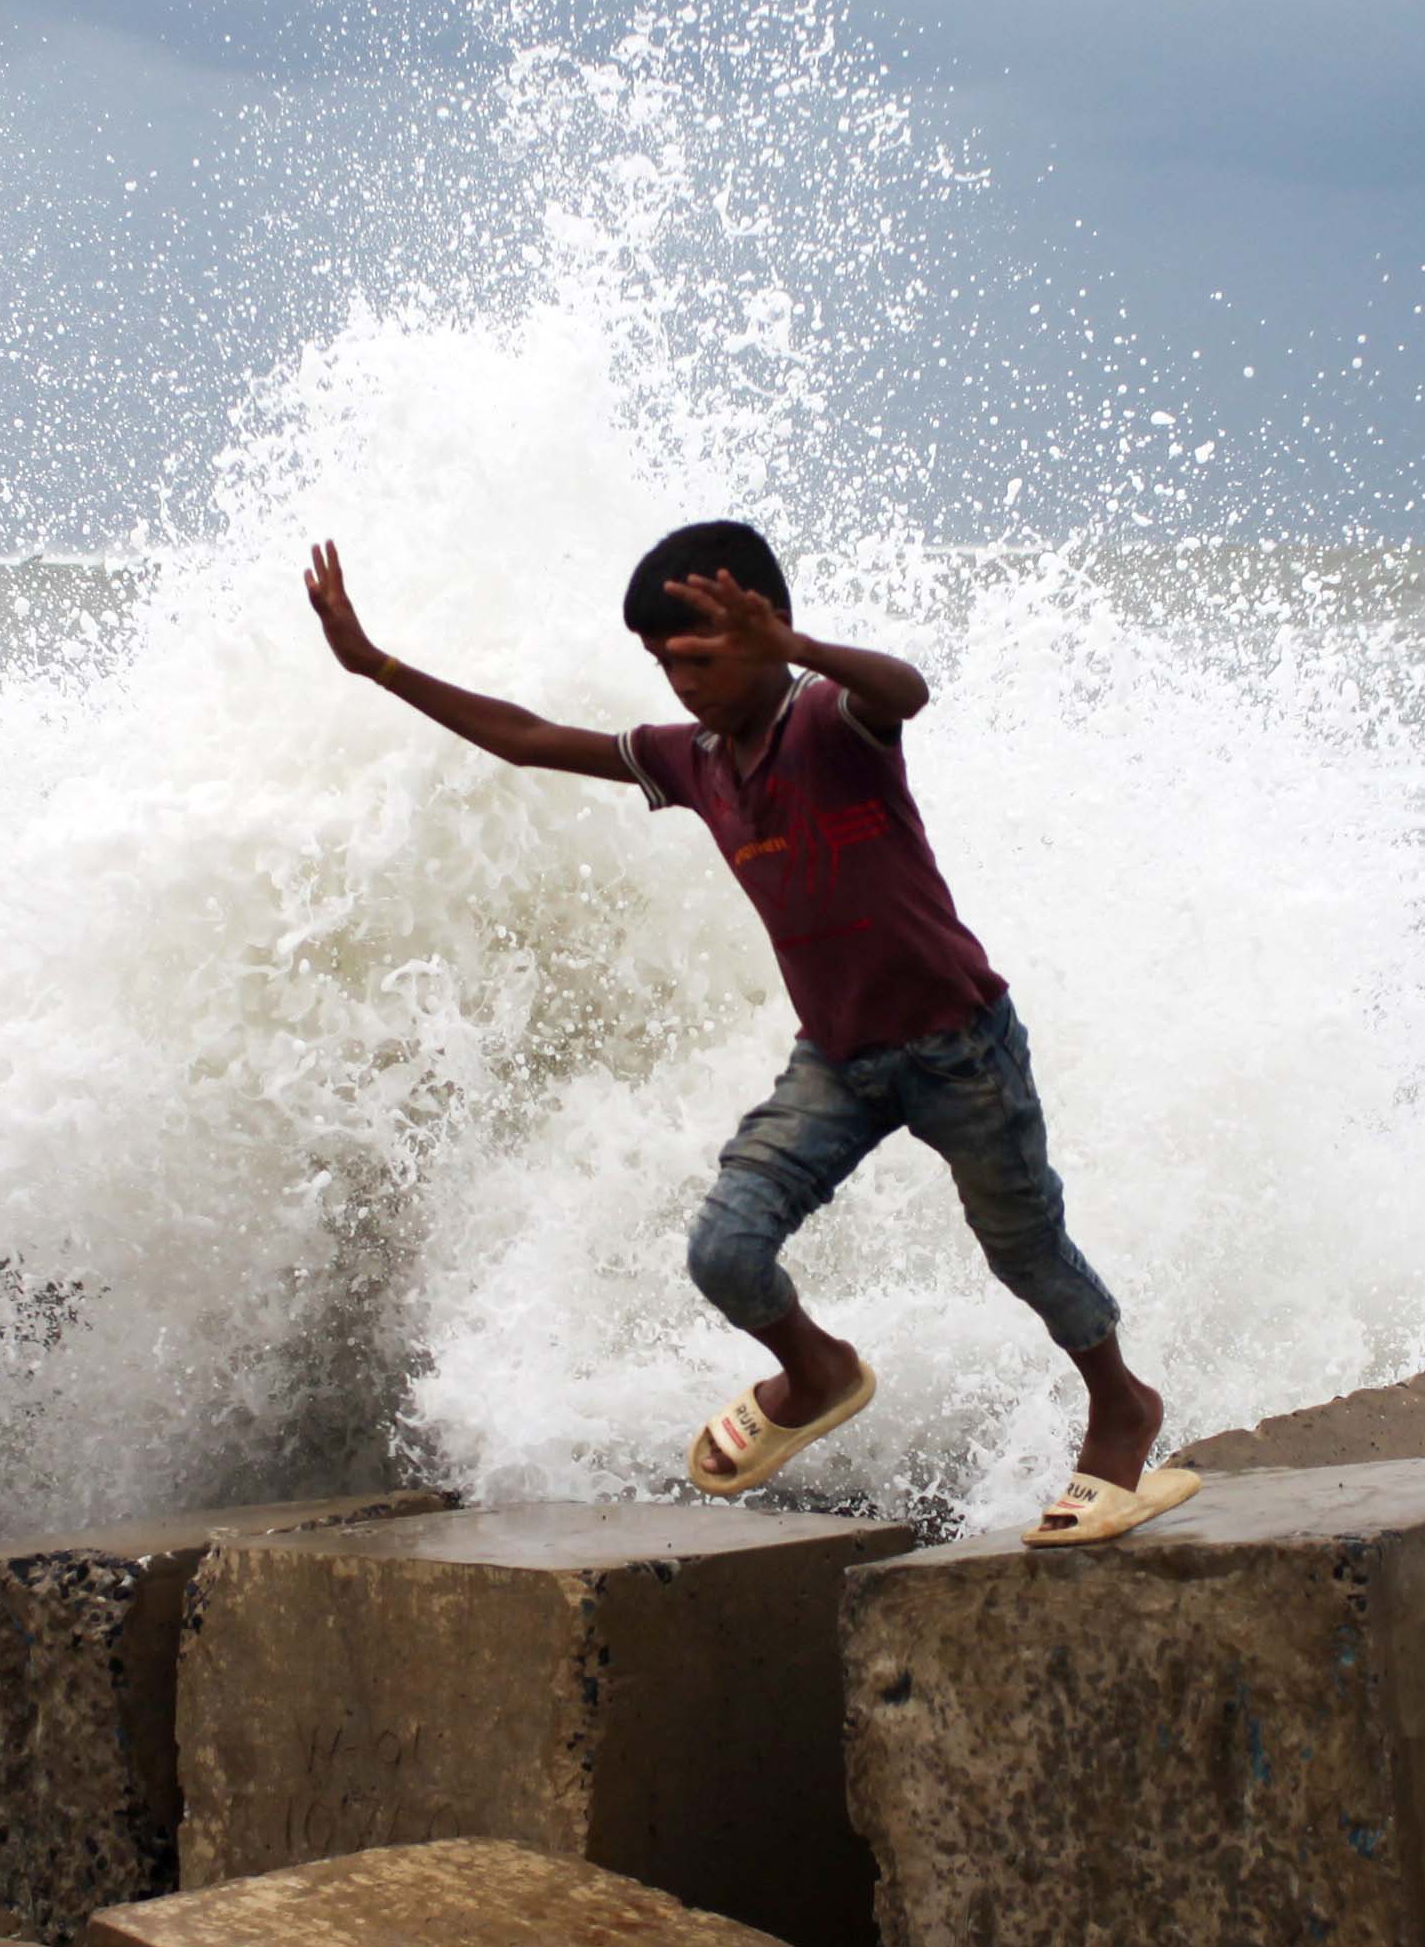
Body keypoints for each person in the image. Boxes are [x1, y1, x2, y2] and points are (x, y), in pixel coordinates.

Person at [300, 520, 1196, 1544]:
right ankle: (817, 1370)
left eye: (700, 656)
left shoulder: (832, 722)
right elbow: (530, 737)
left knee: (1027, 1255)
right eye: (661, 663)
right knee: (724, 1252)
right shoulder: (693, 760)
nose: (680, 683)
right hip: (840, 1061)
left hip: (960, 1046)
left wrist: (802, 648)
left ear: (765, 634)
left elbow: (906, 690)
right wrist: (375, 664)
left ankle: (1122, 1405)